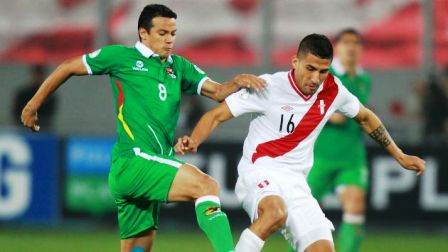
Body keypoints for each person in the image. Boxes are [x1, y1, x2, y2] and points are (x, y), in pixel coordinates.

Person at [20, 4, 265, 252]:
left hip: (148, 166)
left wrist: (235, 82)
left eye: (173, 33)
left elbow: (218, 91)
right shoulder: (121, 57)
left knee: (138, 248)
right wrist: (33, 105)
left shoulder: (178, 66)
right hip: (134, 161)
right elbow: (68, 67)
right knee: (206, 186)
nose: (169, 40)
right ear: (143, 33)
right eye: (162, 33)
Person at [174, 34, 425, 252]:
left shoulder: (333, 90)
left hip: (296, 182)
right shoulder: (268, 87)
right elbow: (216, 114)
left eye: (323, 71)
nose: (316, 78)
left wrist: (400, 155)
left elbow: (365, 117)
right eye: (310, 68)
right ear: (295, 62)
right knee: (275, 212)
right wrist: (194, 140)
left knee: (323, 248)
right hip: (260, 170)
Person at [304, 28, 372, 252]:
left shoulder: (363, 79)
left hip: (352, 157)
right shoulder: (325, 73)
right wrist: (328, 113)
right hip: (319, 156)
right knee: (307, 217)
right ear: (338, 48)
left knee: (355, 207)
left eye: (356, 43)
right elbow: (306, 103)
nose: (351, 47)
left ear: (361, 49)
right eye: (346, 43)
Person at [13, 65, 57, 129]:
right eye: (36, 74)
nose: (38, 77)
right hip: (23, 129)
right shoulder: (22, 94)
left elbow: (47, 116)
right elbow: (17, 113)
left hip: (43, 129)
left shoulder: (50, 96)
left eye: (40, 74)